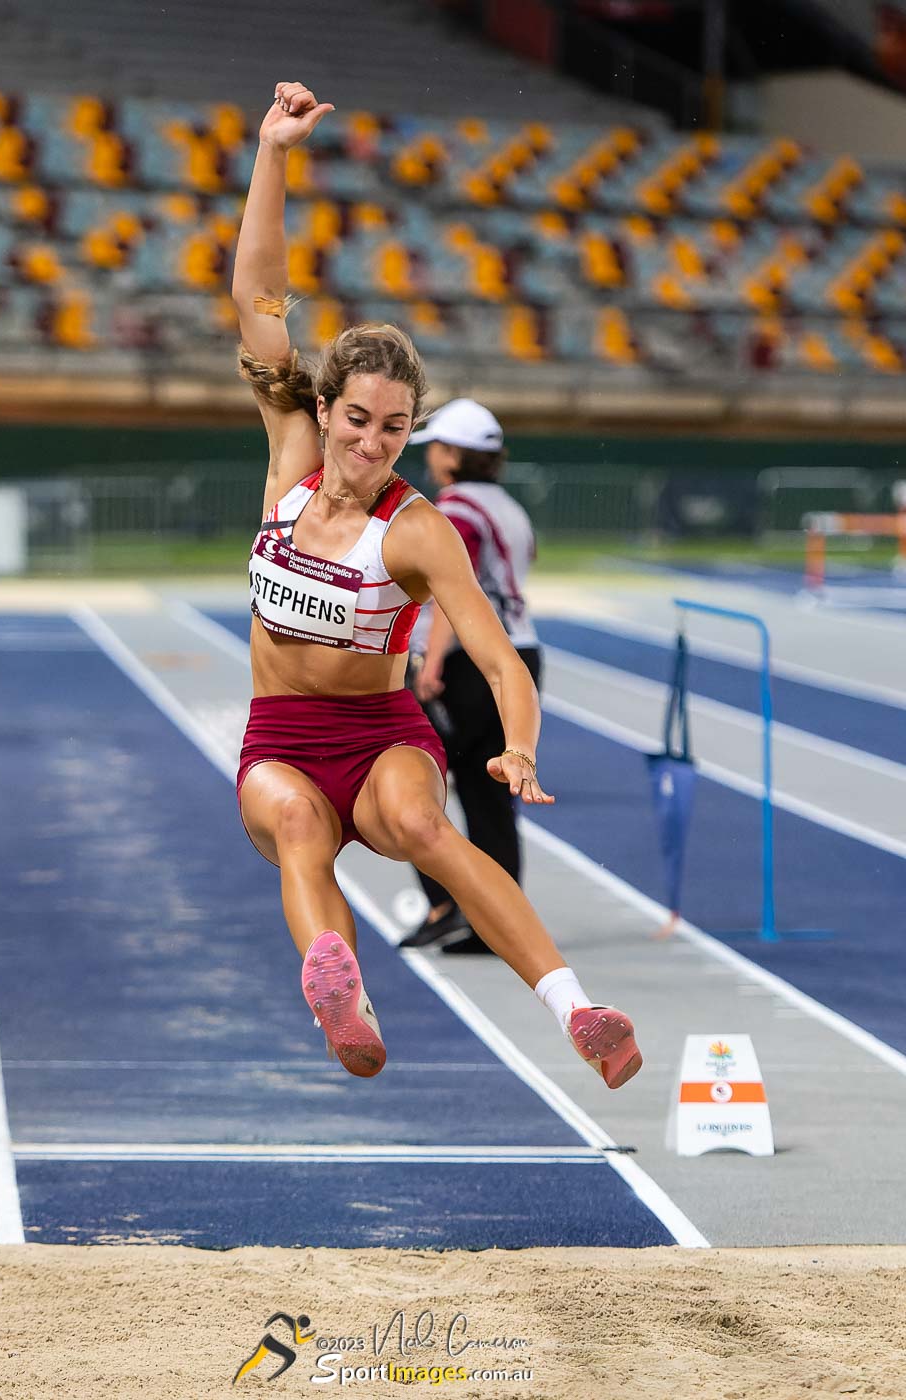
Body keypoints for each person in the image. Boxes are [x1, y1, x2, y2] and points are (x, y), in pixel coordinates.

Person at [232, 80, 641, 1091]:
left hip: (380, 738)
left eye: (395, 425)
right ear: (323, 407)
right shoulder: (288, 450)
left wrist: (518, 745)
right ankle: (340, 988)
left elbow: (499, 655)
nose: (374, 441)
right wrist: (275, 155)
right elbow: (256, 299)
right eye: (359, 416)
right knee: (294, 825)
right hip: (280, 735)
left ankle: (577, 1008)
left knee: (421, 826)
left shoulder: (416, 530)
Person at [401, 398, 541, 956]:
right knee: (489, 799)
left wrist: (432, 663)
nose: (431, 459)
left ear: (454, 453)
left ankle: (450, 907)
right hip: (518, 652)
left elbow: (452, 594)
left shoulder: (457, 510)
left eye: (436, 447)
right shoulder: (507, 506)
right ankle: (493, 920)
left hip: (473, 663)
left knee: (416, 781)